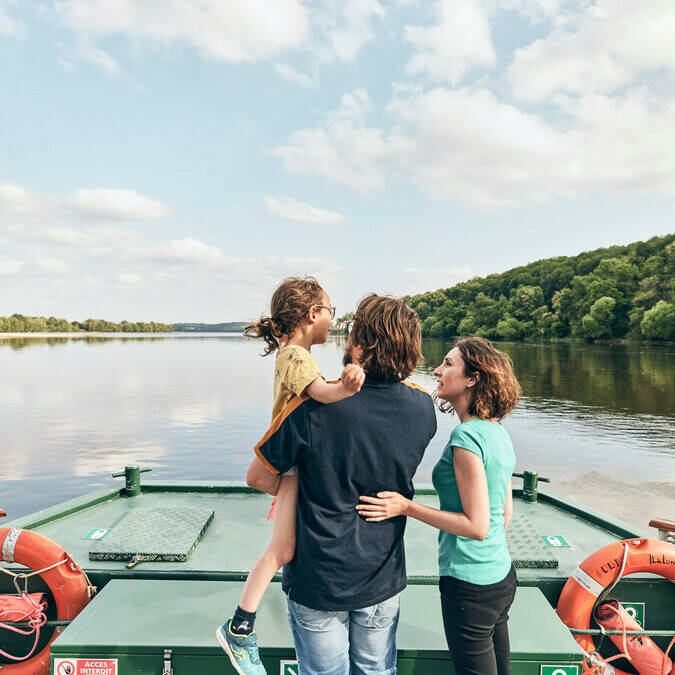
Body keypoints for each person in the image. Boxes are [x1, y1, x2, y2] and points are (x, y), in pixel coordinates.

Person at [246, 294, 437, 675]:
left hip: (320, 579)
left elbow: (259, 476)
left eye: (351, 331)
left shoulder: (314, 408)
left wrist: (307, 490)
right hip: (381, 574)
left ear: (360, 345)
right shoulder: (422, 407)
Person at [217, 276, 366, 675]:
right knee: (280, 551)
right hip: (293, 461)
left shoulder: (292, 353)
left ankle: (242, 626)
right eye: (330, 311)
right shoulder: (297, 357)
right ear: (311, 314)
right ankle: (239, 628)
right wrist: (348, 386)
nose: (333, 320)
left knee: (283, 550)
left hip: (292, 464)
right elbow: (319, 393)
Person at [356, 336, 521, 675]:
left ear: (472, 378)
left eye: (448, 364)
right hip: (501, 578)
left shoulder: (467, 438)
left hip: (470, 585)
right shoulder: (497, 432)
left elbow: (477, 527)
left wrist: (406, 507)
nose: (437, 370)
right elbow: (504, 514)